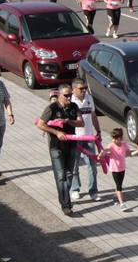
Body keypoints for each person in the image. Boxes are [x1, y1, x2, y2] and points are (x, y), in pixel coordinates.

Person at [35, 83, 82, 217]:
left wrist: (68, 121)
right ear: (60, 95)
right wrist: (56, 132)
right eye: (66, 95)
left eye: (70, 95)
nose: (69, 97)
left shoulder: (74, 106)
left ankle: (65, 198)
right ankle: (66, 205)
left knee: (69, 174)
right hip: (56, 147)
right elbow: (40, 124)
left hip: (71, 145)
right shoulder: (52, 108)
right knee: (61, 176)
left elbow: (81, 122)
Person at [69, 79, 101, 202]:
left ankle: (93, 190)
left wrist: (98, 131)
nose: (84, 90)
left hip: (89, 137)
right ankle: (75, 189)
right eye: (81, 89)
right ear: (74, 89)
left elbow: (93, 115)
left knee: (92, 166)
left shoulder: (89, 98)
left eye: (85, 88)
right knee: (74, 165)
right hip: (75, 138)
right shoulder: (70, 101)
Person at [99, 127, 131, 212]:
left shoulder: (124, 145)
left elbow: (129, 153)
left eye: (115, 138)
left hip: (122, 168)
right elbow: (106, 151)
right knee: (119, 186)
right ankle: (122, 204)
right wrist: (102, 153)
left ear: (120, 138)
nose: (113, 140)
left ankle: (115, 197)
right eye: (113, 138)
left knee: (119, 184)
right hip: (114, 169)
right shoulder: (111, 145)